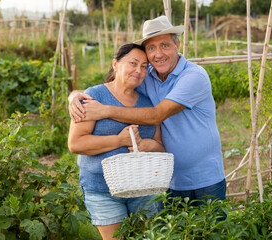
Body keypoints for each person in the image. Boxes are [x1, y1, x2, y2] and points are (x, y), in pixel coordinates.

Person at [69, 16, 226, 209]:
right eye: (151, 48)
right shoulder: (147, 76)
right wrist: (75, 96)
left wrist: (104, 111)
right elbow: (116, 87)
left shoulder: (194, 77)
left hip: (204, 178)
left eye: (165, 45)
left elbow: (156, 115)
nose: (158, 54)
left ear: (177, 45)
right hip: (167, 179)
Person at [68, 43, 165, 240]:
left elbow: (160, 146)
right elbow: (75, 144)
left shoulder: (147, 103)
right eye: (133, 63)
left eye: (145, 66)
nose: (138, 70)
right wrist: (119, 140)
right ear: (115, 64)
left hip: (143, 187)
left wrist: (146, 146)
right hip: (101, 189)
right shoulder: (94, 96)